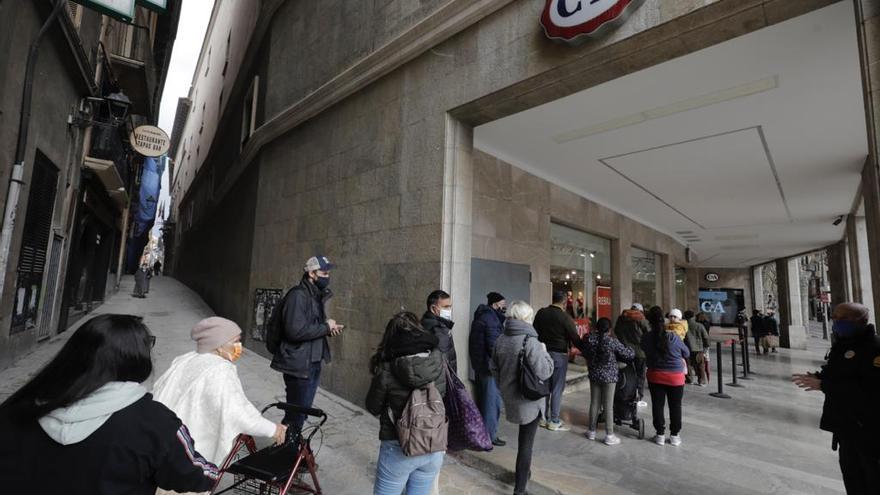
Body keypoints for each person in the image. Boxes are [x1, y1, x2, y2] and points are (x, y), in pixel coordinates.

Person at [0, 314, 219, 494]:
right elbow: (195, 477)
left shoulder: (17, 409)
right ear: (136, 357)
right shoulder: (156, 422)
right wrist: (215, 470)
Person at [153, 317, 287, 466]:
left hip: (162, 440)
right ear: (218, 345)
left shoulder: (184, 360)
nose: (238, 346)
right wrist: (273, 430)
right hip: (188, 453)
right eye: (235, 341)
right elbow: (237, 413)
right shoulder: (220, 370)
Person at [792, 302, 880, 494]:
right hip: (846, 427)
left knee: (872, 479)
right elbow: (842, 374)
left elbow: (869, 390)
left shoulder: (874, 349)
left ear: (861, 321)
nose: (837, 322)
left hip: (868, 429)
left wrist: (825, 385)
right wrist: (820, 377)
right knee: (853, 478)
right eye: (835, 318)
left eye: (843, 319)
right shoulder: (841, 345)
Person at [366, 312, 447, 495]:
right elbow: (442, 396)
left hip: (398, 446)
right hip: (432, 445)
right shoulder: (438, 361)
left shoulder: (387, 368)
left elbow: (373, 406)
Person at [270, 255, 343, 441]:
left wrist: (327, 327)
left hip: (312, 362)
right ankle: (288, 453)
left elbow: (309, 326)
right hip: (299, 365)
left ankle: (292, 450)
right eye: (324, 272)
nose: (327, 276)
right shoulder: (298, 295)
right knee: (296, 414)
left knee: (300, 412)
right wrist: (325, 327)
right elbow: (295, 331)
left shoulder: (314, 295)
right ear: (311, 273)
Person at [491, 301, 554, 495]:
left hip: (511, 398)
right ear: (526, 318)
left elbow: (494, 369)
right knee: (526, 445)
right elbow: (545, 371)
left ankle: (524, 473)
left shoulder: (500, 339)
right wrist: (545, 353)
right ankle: (520, 489)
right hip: (529, 400)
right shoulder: (531, 341)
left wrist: (505, 387)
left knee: (523, 441)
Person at [533, 290, 583, 431]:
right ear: (564, 302)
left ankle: (542, 418)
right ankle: (554, 420)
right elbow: (574, 337)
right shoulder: (565, 317)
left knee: (544, 387)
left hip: (542, 353)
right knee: (556, 388)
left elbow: (534, 332)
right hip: (559, 355)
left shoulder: (541, 313)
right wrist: (586, 348)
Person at [642, 306, 690, 447]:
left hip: (655, 375)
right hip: (675, 377)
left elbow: (645, 350)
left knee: (658, 405)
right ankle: (674, 435)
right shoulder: (673, 337)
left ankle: (660, 435)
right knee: (675, 406)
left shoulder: (646, 337)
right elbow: (686, 353)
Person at [582, 317, 634, 445]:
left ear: (596, 328)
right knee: (608, 406)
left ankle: (591, 431)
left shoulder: (590, 339)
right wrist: (630, 347)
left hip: (594, 374)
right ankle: (609, 435)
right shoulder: (612, 341)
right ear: (609, 330)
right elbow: (628, 354)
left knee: (594, 403)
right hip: (609, 377)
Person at [468, 291, 507, 447]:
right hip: (489, 369)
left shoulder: (484, 316)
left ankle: (486, 435)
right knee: (491, 404)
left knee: (486, 402)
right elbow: (494, 346)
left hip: (482, 367)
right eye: (502, 305)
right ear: (495, 304)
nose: (504, 308)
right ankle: (489, 437)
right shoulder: (490, 319)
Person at [613, 303, 650, 401]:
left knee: (628, 375)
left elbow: (616, 331)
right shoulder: (641, 319)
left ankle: (628, 393)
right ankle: (638, 396)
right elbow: (649, 333)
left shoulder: (622, 319)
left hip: (625, 352)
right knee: (640, 375)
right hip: (640, 353)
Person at [422, 290, 457, 373]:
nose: (449, 310)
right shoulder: (438, 328)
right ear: (433, 308)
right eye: (445, 307)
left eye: (450, 306)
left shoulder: (429, 322)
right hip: (443, 380)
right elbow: (443, 360)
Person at [683, 310, 710, 386]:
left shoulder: (683, 326)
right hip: (699, 348)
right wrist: (706, 346)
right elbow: (705, 337)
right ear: (693, 316)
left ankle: (689, 379)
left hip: (687, 348)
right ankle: (701, 381)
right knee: (700, 365)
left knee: (688, 364)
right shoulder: (699, 325)